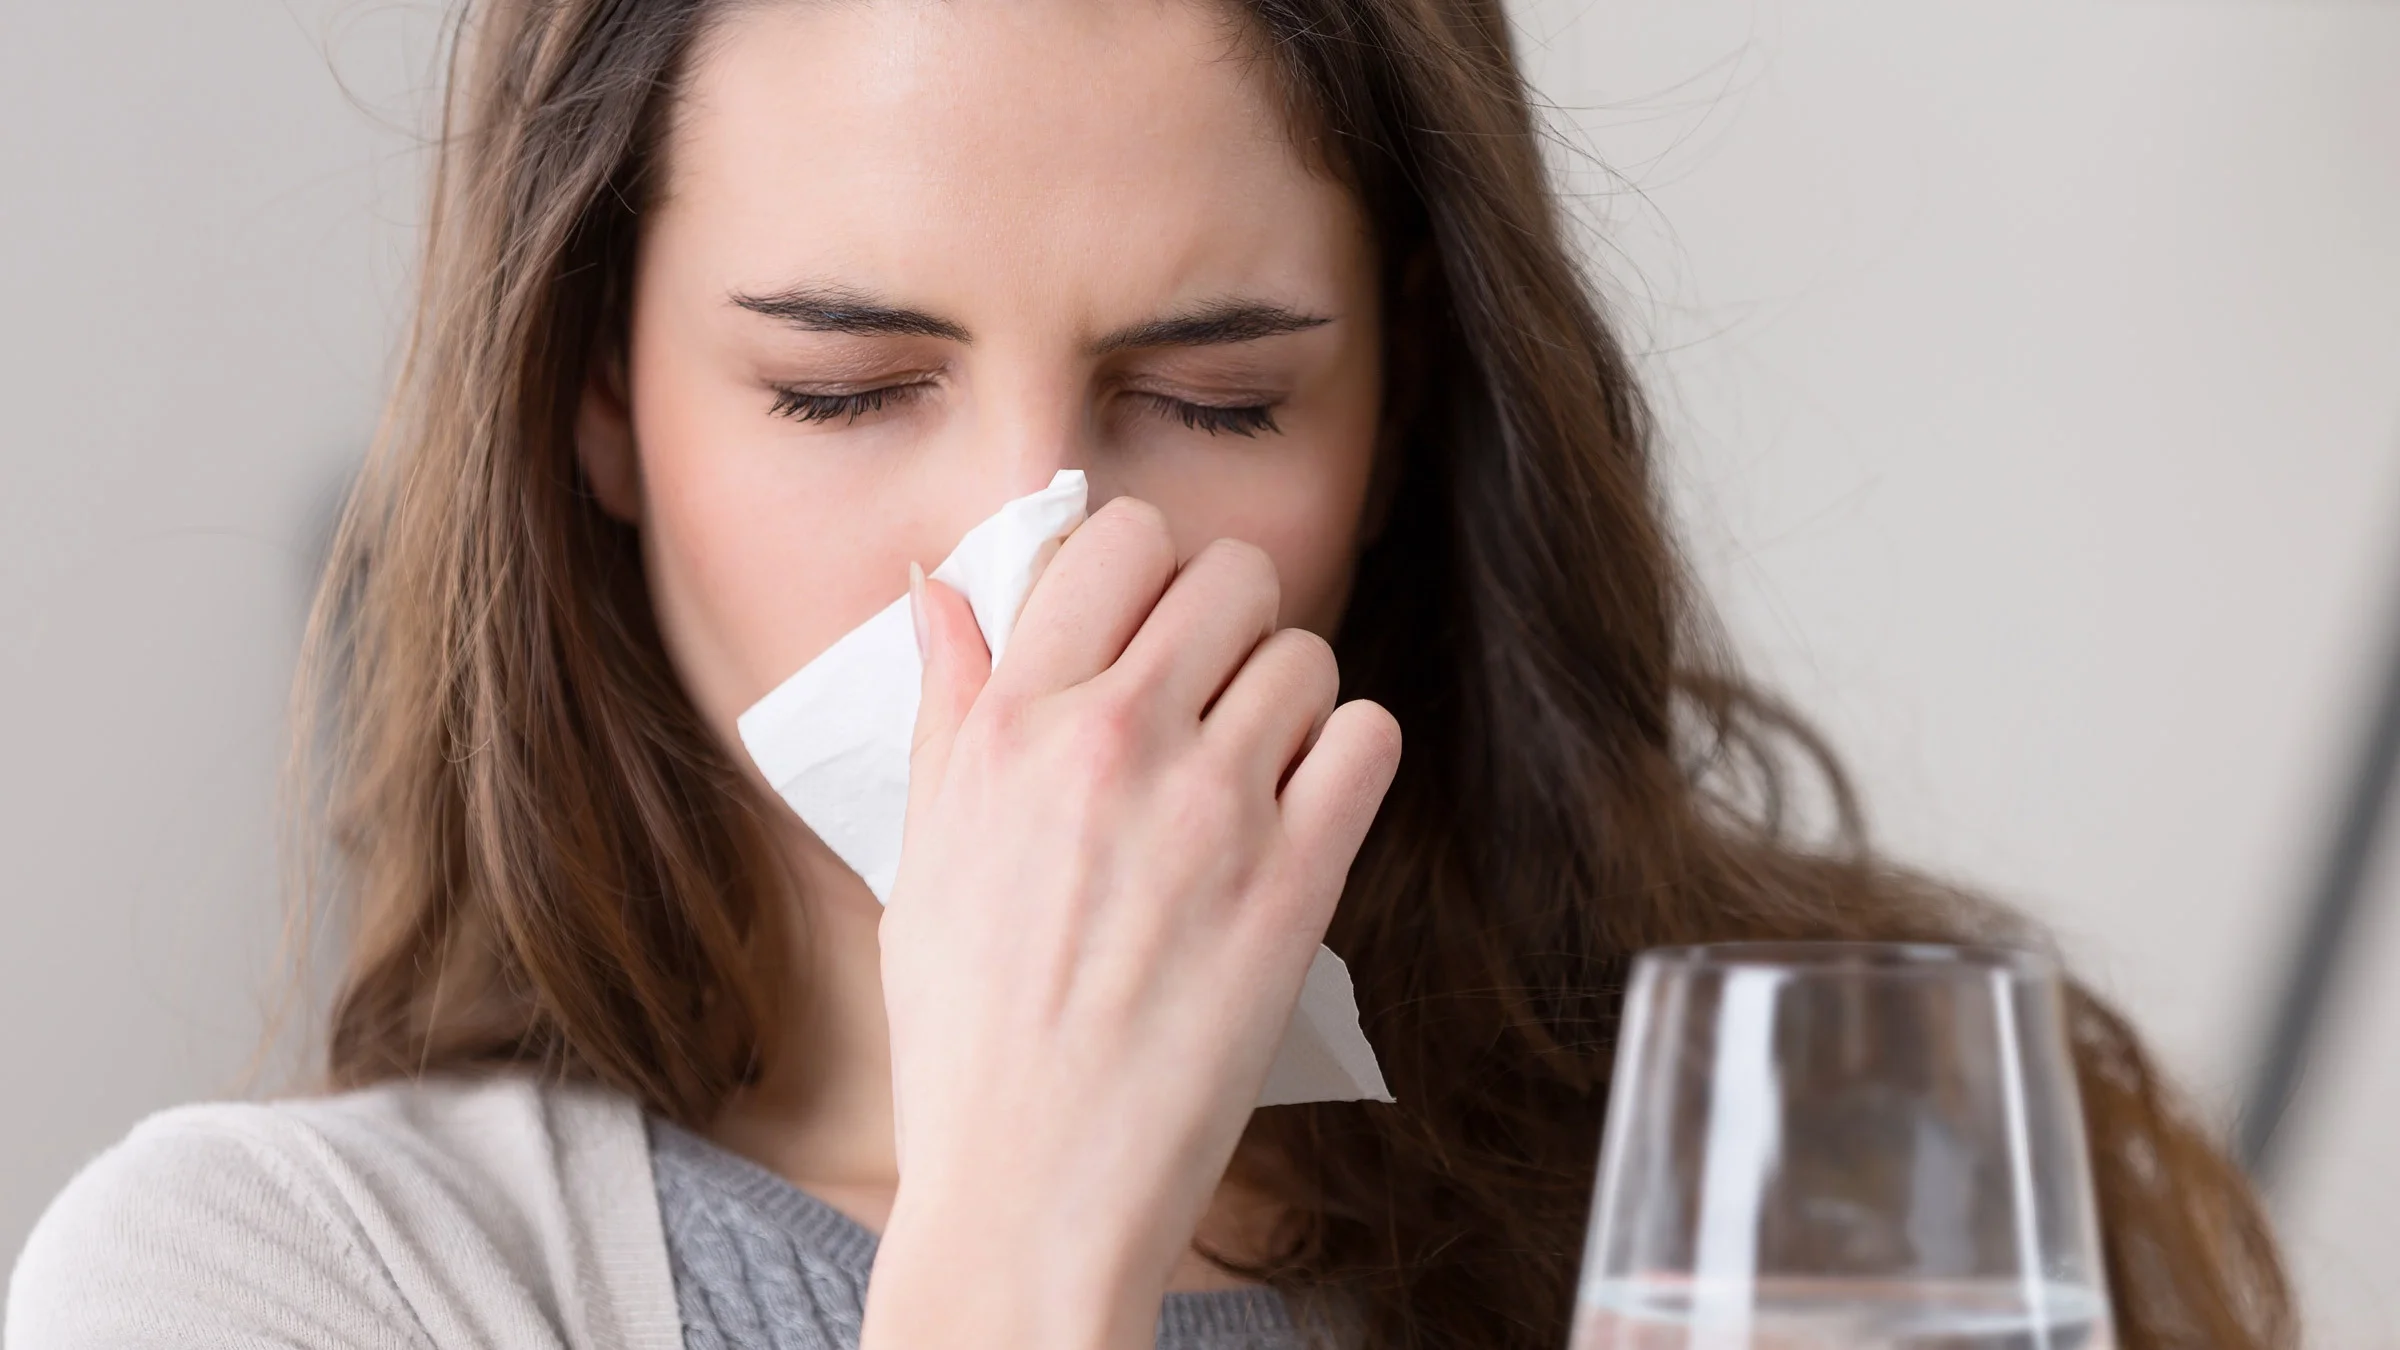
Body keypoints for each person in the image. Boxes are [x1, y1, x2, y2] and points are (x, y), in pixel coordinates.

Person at [5, 0, 2294, 1346]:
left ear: (1403, 421)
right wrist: (1024, 1229)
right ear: (597, 397)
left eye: (1216, 405)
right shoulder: (281, 1281)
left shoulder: (1820, 1178)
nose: (1040, 560)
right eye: (841, 388)